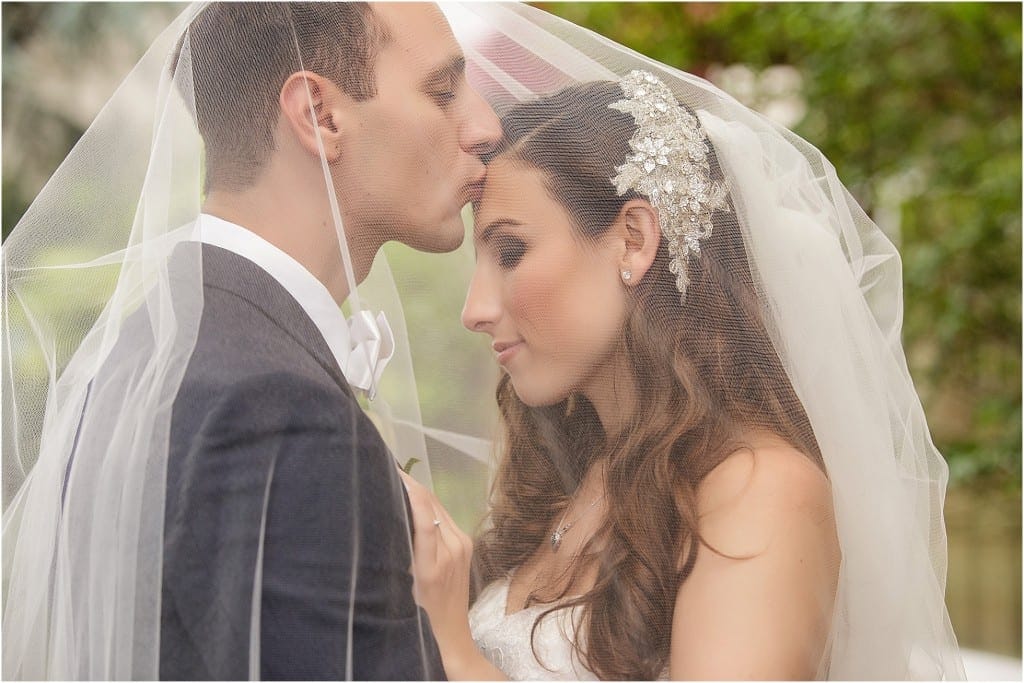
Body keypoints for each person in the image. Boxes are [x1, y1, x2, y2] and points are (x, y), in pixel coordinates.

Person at [398, 7, 967, 677]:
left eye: (512, 250)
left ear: (634, 238)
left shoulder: (764, 489)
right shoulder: (574, 478)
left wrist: (456, 650)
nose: (475, 308)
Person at [1, 2, 500, 679]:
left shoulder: (168, 341)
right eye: (443, 91)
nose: (485, 127)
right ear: (319, 116)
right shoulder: (276, 410)